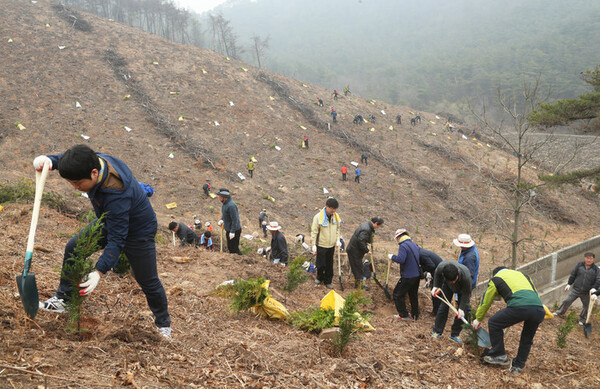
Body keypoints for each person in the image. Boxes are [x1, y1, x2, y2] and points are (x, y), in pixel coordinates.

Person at [33, 145, 171, 339]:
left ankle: (163, 325)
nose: (76, 188)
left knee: (148, 280)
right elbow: (73, 157)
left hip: (138, 230)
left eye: (78, 183)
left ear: (94, 173)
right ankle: (64, 299)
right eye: (71, 183)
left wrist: (99, 271)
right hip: (111, 220)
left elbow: (117, 239)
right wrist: (51, 161)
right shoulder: (94, 160)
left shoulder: (116, 192)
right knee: (74, 247)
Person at [473, 266, 545, 375]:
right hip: (539, 309)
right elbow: (533, 294)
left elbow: (486, 300)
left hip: (520, 307)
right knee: (527, 338)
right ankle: (518, 366)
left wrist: (478, 318)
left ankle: (499, 354)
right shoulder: (524, 276)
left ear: (495, 274)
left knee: (494, 322)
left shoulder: (496, 278)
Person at [431, 261, 472, 342]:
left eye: (454, 280)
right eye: (451, 281)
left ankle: (455, 334)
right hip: (447, 286)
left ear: (458, 272)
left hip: (462, 289)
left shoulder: (466, 277)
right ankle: (437, 331)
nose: (453, 282)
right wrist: (435, 286)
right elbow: (436, 273)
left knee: (462, 312)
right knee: (443, 307)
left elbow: (466, 294)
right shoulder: (441, 267)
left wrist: (461, 308)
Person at [553, 252, 600, 324]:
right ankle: (559, 312)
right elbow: (573, 274)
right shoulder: (579, 265)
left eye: (591, 258)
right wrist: (569, 284)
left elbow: (598, 280)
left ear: (593, 259)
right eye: (587, 258)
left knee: (586, 306)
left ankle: (582, 320)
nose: (589, 260)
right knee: (566, 301)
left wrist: (594, 288)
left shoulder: (596, 270)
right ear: (585, 258)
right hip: (575, 290)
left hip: (586, 293)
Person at [388, 229, 421, 320]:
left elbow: (401, 259)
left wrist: (392, 257)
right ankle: (415, 315)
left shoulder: (403, 246)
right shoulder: (413, 244)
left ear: (399, 237)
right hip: (416, 275)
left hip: (408, 276)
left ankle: (403, 315)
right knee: (413, 295)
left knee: (397, 294)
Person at [310, 197, 342, 289]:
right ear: (327, 206)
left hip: (331, 245)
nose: (333, 210)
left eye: (335, 209)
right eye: (331, 208)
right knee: (321, 264)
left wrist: (337, 239)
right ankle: (319, 278)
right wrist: (313, 244)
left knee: (329, 264)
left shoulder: (336, 217)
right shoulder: (318, 217)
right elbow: (314, 231)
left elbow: (338, 229)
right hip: (321, 244)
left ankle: (328, 281)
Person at [346, 217, 384, 290]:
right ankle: (359, 286)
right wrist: (367, 250)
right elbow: (360, 241)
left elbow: (362, 239)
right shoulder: (366, 229)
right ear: (375, 223)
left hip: (355, 250)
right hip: (354, 251)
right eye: (379, 226)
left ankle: (359, 285)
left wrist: (368, 243)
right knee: (357, 268)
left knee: (358, 267)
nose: (378, 227)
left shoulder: (367, 226)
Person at [419, 246, 444, 315]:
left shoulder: (422, 254)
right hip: (437, 272)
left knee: (436, 292)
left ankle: (437, 312)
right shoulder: (421, 252)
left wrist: (421, 269)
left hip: (440, 273)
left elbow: (431, 266)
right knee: (436, 291)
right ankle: (437, 310)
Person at [217, 188, 242, 255]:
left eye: (220, 197)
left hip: (234, 230)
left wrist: (232, 231)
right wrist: (222, 219)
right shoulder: (225, 204)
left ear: (224, 197)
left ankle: (240, 261)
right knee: (230, 248)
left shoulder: (231, 206)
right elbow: (225, 214)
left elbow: (235, 219)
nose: (219, 198)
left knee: (234, 249)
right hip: (229, 229)